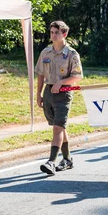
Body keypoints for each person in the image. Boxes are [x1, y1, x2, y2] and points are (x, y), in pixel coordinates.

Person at [36, 20, 83, 175]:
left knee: (57, 128)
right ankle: (68, 159)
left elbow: (77, 76)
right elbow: (41, 74)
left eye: (56, 32)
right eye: (51, 32)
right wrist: (39, 94)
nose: (53, 35)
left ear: (64, 34)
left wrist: (62, 82)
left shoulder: (71, 54)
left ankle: (51, 162)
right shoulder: (45, 53)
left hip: (63, 94)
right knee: (60, 127)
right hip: (49, 93)